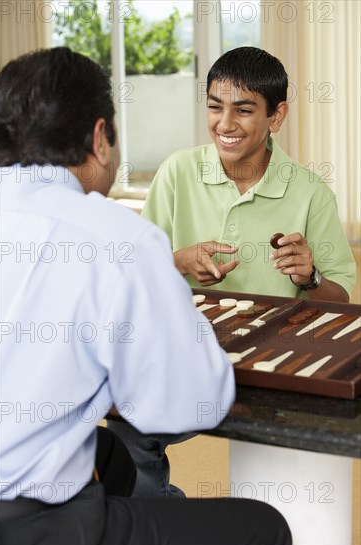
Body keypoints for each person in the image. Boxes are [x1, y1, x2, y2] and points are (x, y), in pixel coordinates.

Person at [0, 47, 292, 545]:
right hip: (29, 525)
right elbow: (183, 404)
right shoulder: (118, 237)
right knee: (265, 527)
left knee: (109, 454)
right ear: (99, 139)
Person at [108, 46, 356, 497]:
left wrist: (311, 278)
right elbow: (132, 276)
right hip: (184, 357)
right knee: (122, 429)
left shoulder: (309, 191)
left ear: (276, 116)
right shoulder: (176, 173)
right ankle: (160, 520)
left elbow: (341, 302)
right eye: (215, 107)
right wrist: (178, 261)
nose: (225, 124)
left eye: (243, 110)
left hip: (275, 366)